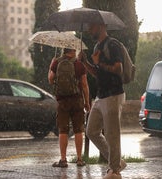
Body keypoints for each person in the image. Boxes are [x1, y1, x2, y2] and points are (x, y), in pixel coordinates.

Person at [78, 23, 127, 179]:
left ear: (100, 26)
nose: (89, 29)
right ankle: (118, 162)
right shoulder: (96, 47)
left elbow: (119, 68)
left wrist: (99, 63)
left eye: (91, 27)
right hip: (101, 95)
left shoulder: (113, 44)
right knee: (91, 131)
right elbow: (97, 73)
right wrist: (86, 63)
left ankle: (115, 170)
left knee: (112, 134)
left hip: (113, 94)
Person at [48, 48, 90, 168]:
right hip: (77, 100)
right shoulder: (79, 64)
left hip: (62, 101)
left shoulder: (56, 62)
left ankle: (63, 159)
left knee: (63, 130)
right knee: (78, 130)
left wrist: (50, 67)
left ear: (63, 50)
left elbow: (50, 80)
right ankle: (80, 159)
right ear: (73, 50)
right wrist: (87, 102)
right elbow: (84, 85)